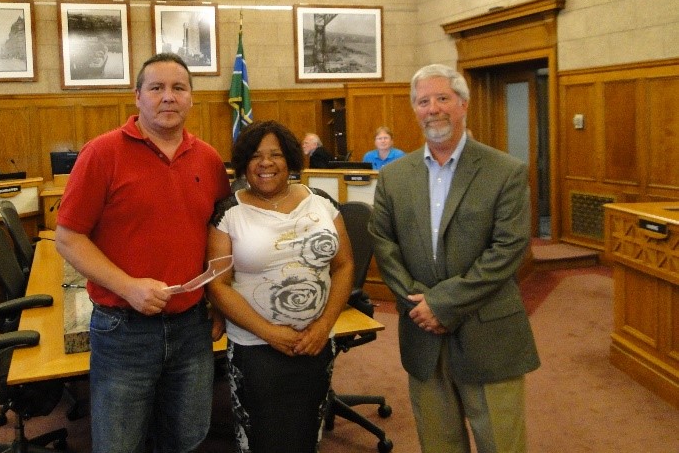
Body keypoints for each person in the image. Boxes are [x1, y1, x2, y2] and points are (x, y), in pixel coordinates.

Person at [54, 53, 231, 453]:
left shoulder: (208, 158)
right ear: (137, 97)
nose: (167, 97)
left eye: (178, 88)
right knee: (119, 443)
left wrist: (220, 303)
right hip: (123, 329)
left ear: (191, 99)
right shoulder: (101, 154)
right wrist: (129, 286)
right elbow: (68, 238)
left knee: (187, 438)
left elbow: (220, 238)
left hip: (191, 328)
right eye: (156, 88)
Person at [369, 64, 540, 453]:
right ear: (414, 110)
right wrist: (419, 303)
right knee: (438, 443)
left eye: (443, 98)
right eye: (423, 101)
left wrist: (441, 304)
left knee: (501, 443)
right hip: (421, 332)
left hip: (488, 332)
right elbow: (383, 241)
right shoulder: (395, 176)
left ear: (463, 104)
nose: (433, 109)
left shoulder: (505, 171)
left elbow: (508, 249)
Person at [206, 120, 354, 453]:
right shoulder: (229, 212)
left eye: (276, 154)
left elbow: (344, 266)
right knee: (262, 437)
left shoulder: (323, 203)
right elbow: (219, 286)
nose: (266, 163)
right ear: (245, 163)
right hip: (255, 347)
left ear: (290, 159)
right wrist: (271, 333)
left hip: (316, 342)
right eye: (256, 155)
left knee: (306, 432)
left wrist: (324, 326)